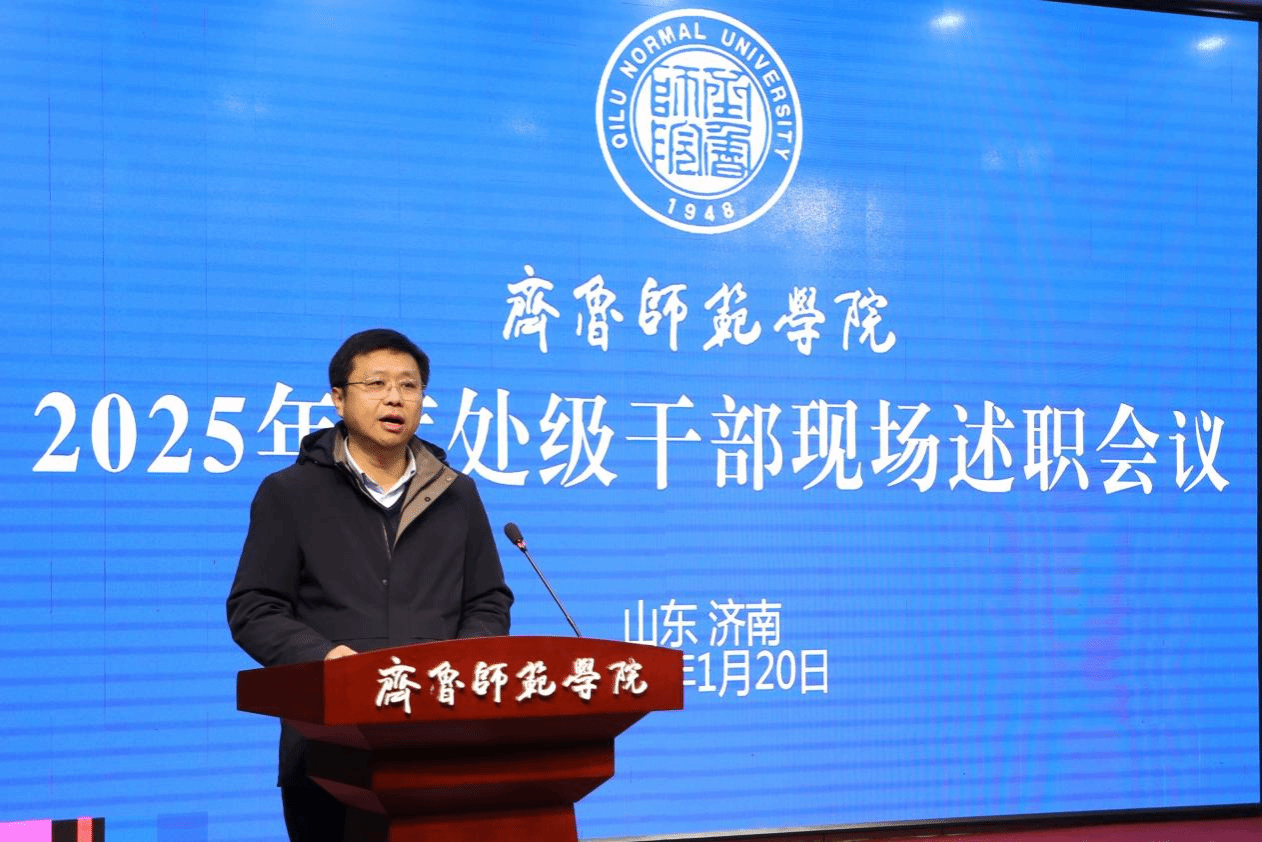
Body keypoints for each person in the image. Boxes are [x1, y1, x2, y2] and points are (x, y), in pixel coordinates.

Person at [226, 328, 513, 842]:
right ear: (338, 399)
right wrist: (325, 659)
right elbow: (255, 607)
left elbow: (488, 599)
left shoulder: (458, 494)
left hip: (441, 737)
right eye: (376, 384)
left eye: (409, 385)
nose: (395, 398)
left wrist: (465, 661)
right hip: (329, 747)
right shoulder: (290, 493)